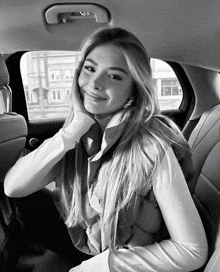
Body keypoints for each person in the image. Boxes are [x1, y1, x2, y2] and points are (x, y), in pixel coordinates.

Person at [4, 27, 208, 271]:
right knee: (21, 205)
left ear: (135, 89)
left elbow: (191, 250)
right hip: (91, 239)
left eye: (115, 76)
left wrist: (99, 267)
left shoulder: (151, 147)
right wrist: (72, 130)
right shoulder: (82, 133)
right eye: (89, 69)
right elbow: (13, 187)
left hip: (123, 254)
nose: (95, 84)